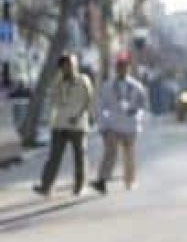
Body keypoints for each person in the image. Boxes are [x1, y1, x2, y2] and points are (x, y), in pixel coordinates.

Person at [34, 54, 95, 197]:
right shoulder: (58, 82)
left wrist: (81, 116)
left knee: (80, 156)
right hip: (60, 124)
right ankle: (46, 186)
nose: (69, 67)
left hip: (78, 125)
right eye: (65, 65)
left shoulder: (83, 80)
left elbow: (89, 100)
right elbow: (53, 100)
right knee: (54, 157)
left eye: (71, 64)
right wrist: (57, 81)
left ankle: (80, 186)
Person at [90, 55, 149, 194]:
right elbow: (101, 106)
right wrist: (102, 124)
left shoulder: (136, 86)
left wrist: (137, 116)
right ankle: (102, 180)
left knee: (129, 154)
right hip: (113, 125)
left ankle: (130, 180)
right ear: (116, 68)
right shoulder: (108, 86)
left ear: (128, 68)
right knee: (110, 152)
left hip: (130, 125)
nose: (122, 69)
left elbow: (143, 106)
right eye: (119, 67)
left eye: (124, 67)